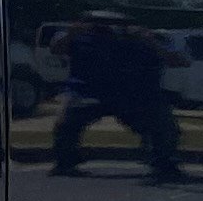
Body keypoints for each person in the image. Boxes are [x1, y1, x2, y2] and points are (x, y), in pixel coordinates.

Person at [44, 15, 184, 182]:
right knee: (66, 121)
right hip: (88, 92)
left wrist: (150, 41)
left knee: (162, 122)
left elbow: (178, 60)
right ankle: (65, 161)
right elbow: (56, 49)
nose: (109, 29)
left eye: (117, 25)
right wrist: (72, 33)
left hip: (133, 94)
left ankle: (164, 163)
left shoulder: (147, 39)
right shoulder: (79, 37)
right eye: (100, 24)